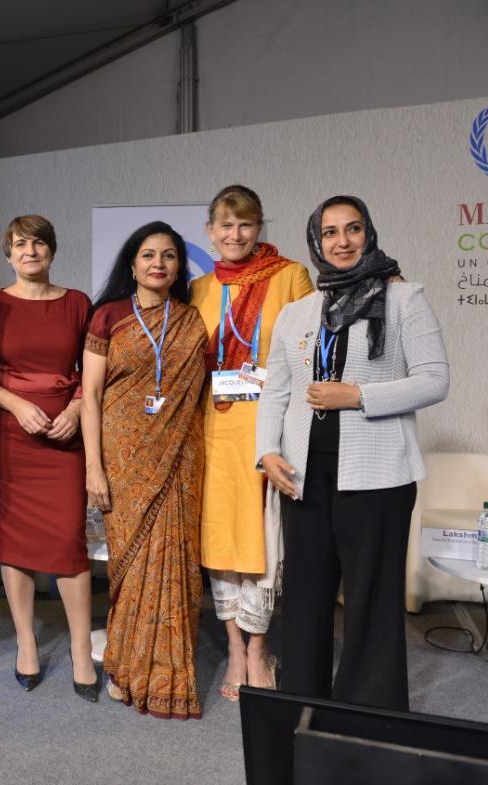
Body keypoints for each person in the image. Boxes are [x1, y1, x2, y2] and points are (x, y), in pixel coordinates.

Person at [256, 195, 448, 711]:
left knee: (371, 603)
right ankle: (303, 709)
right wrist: (266, 452)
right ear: (316, 242)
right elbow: (276, 390)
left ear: (369, 233)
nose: (342, 242)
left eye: (353, 229)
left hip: (378, 477)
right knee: (304, 602)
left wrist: (358, 395)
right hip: (304, 476)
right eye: (330, 233)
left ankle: (370, 715)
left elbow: (435, 381)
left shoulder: (404, 298)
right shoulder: (298, 313)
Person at [190, 184, 314, 700]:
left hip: (270, 430)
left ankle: (260, 650)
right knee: (220, 542)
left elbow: (311, 350)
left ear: (259, 227)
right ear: (210, 231)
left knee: (263, 542)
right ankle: (235, 650)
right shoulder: (197, 287)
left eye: (244, 224)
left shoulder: (291, 277)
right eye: (225, 224)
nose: (234, 234)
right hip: (213, 429)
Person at [81, 221, 208, 719]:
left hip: (179, 456)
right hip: (121, 458)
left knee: (175, 562)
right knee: (129, 566)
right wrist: (94, 466)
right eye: (149, 254)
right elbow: (89, 396)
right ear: (132, 264)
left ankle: (169, 672)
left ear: (179, 267)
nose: (159, 263)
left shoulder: (193, 320)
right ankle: (127, 666)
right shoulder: (107, 316)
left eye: (170, 255)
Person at [0, 215, 98, 701]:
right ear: (8, 254)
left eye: (38, 243)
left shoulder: (78, 303)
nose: (30, 251)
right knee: (15, 541)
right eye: (19, 244)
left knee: (69, 541)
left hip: (67, 438)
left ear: (52, 251)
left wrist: (75, 408)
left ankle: (78, 648)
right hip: (11, 436)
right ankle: (26, 641)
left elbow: (92, 373)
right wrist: (13, 403)